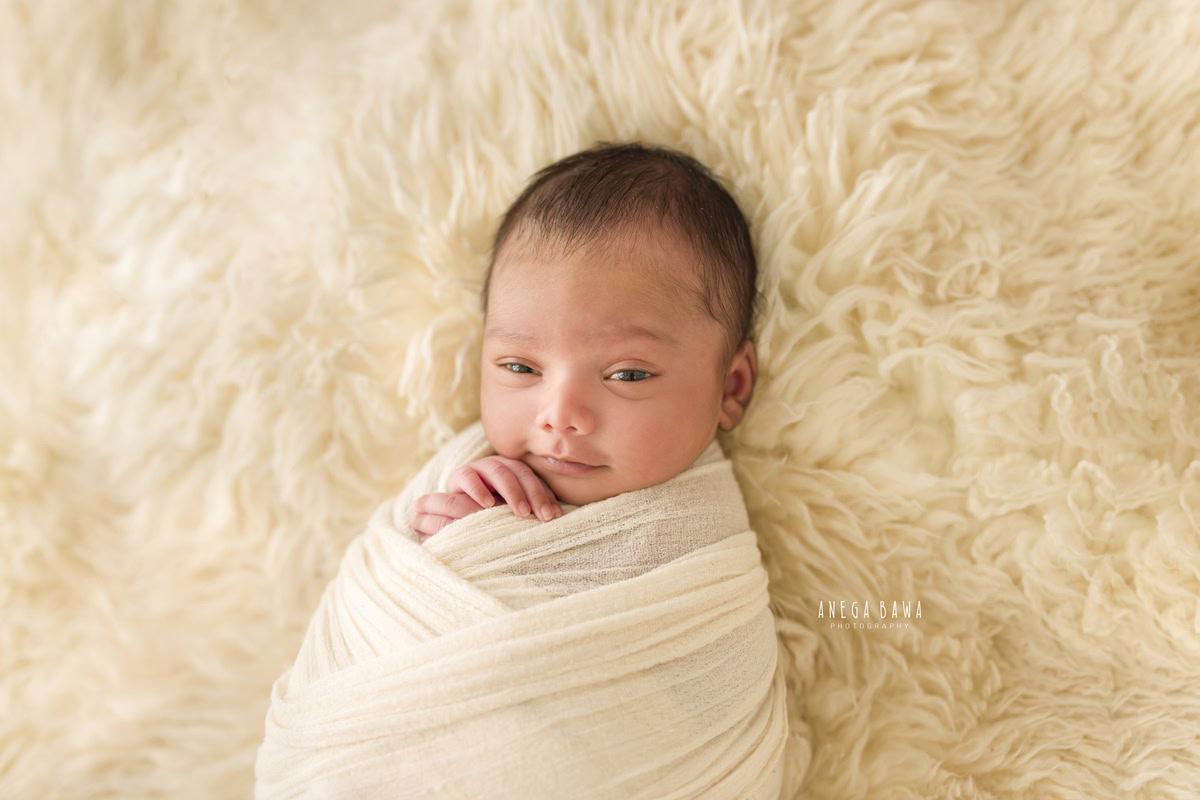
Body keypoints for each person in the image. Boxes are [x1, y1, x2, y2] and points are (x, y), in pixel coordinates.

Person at [413, 140, 761, 539]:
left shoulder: (700, 534)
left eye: (627, 375)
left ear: (731, 388)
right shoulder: (470, 476)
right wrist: (456, 526)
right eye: (519, 367)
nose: (559, 416)